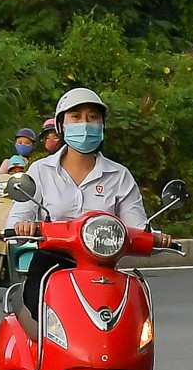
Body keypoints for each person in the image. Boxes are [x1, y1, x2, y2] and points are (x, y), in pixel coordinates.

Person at [11, 87, 170, 308]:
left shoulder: (120, 176)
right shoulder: (40, 171)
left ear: (102, 126)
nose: (85, 124)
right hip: (51, 266)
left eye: (93, 117)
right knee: (40, 310)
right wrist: (24, 227)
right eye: (76, 117)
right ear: (61, 125)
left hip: (103, 270)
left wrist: (157, 238)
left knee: (133, 313)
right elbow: (15, 224)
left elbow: (137, 228)